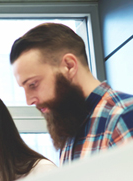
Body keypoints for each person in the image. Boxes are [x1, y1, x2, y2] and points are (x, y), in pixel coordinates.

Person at [10, 22, 133, 164]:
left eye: (33, 84)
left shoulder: (123, 116)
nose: (29, 100)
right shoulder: (70, 130)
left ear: (69, 66)